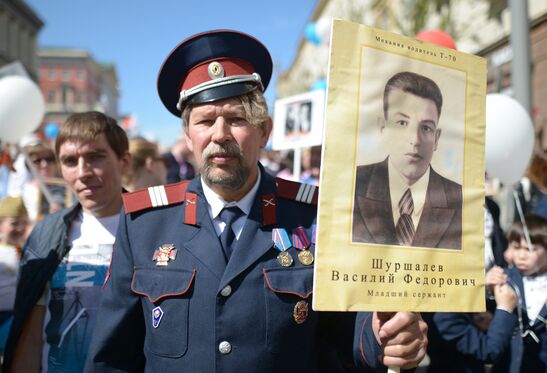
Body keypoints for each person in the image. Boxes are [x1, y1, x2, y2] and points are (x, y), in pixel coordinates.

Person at [85, 30, 427, 372]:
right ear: (188, 136)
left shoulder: (315, 219)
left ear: (264, 130)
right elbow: (113, 356)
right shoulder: (144, 224)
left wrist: (382, 338)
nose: (220, 135)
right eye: (205, 121)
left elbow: (345, 332)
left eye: (236, 119)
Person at [2, 111, 130, 373]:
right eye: (70, 161)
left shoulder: (155, 229)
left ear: (124, 162)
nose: (83, 172)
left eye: (95, 157)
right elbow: (32, 334)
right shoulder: (46, 233)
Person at [352, 71, 462, 250]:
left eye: (426, 128)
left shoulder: (460, 199)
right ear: (383, 128)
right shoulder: (353, 184)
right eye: (402, 123)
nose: (415, 140)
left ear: (436, 138)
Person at [497, 214, 547, 372]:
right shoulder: (502, 278)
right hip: (510, 364)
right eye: (516, 247)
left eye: (529, 249)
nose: (521, 255)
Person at [0, 197, 28, 358]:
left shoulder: (27, 252)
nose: (19, 228)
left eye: (23, 223)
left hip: (15, 316)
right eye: (14, 223)